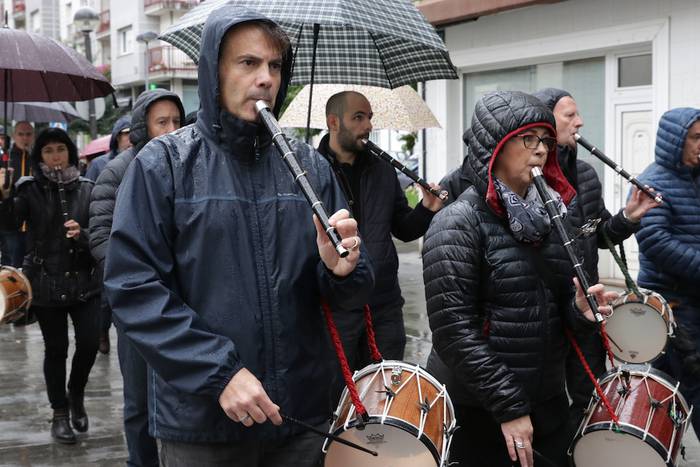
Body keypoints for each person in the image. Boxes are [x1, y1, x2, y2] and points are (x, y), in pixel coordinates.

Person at [104, 7, 373, 467]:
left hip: (301, 419)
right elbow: (134, 288)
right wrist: (218, 373)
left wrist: (342, 270)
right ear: (214, 71)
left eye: (273, 65)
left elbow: (351, 290)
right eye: (247, 63)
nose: (265, 78)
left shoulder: (309, 166)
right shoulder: (162, 166)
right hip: (202, 425)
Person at [423, 91, 618, 467]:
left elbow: (552, 305)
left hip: (545, 397)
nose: (542, 149)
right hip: (481, 407)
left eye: (545, 139)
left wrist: (577, 311)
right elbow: (453, 331)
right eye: (528, 138)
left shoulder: (553, 214)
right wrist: (508, 406)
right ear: (494, 147)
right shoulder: (457, 223)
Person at [531, 88, 660, 430]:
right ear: (545, 123)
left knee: (590, 394)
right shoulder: (528, 178)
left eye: (578, 114)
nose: (580, 122)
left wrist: (629, 217)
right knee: (546, 402)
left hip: (586, 306)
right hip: (543, 313)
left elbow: (599, 234)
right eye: (569, 115)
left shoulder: (586, 174)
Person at [317, 91, 443, 379]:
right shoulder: (312, 170)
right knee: (339, 395)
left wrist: (426, 208)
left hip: (384, 304)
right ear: (333, 122)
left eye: (369, 117)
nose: (368, 125)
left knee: (387, 389)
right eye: (358, 117)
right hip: (336, 308)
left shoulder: (383, 169)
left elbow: (404, 228)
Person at [89, 88, 184, 467]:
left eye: (176, 121)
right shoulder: (119, 170)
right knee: (139, 401)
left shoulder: (189, 164)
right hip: (136, 306)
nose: (171, 129)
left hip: (181, 300)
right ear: (143, 126)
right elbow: (100, 235)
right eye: (162, 122)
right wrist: (135, 282)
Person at [0, 128, 100, 444]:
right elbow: (10, 226)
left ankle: (76, 391)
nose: (55, 156)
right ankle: (59, 413)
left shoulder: (88, 188)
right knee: (56, 350)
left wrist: (82, 235)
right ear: (40, 156)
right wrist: (4, 197)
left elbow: (101, 233)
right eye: (48, 151)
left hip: (84, 282)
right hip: (45, 282)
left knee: (88, 344)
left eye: (60, 149)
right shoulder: (29, 189)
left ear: (70, 152)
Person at [636, 107, 700, 439]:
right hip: (673, 306)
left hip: (694, 299)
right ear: (676, 141)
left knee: (668, 393)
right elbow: (655, 242)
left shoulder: (696, 177)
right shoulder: (653, 182)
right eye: (697, 138)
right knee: (686, 386)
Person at [0, 121, 34, 267]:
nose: (24, 138)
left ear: (33, 136)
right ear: (14, 136)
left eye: (28, 134)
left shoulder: (37, 159)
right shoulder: (5, 159)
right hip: (10, 222)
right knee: (11, 269)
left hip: (33, 223)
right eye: (21, 134)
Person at [85, 116, 132, 182]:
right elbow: (87, 190)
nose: (132, 137)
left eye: (135, 133)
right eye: (127, 133)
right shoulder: (98, 164)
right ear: (117, 137)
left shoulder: (142, 163)